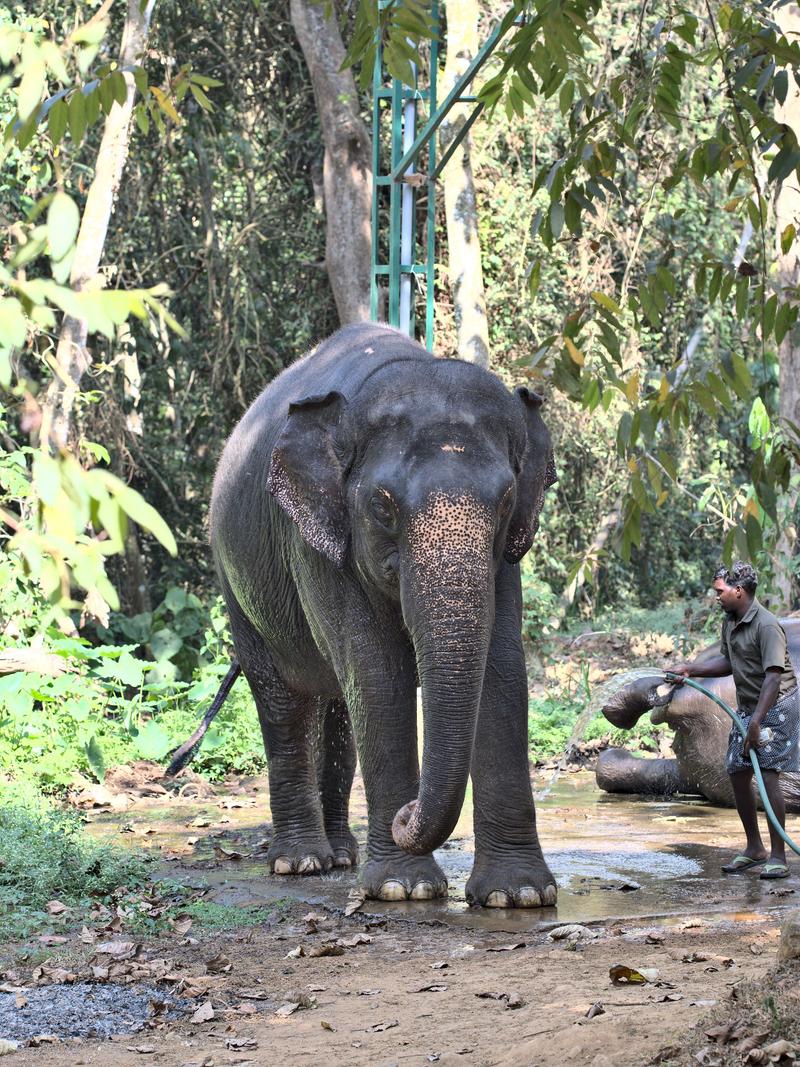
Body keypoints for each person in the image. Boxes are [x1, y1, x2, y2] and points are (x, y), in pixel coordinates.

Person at [669, 561, 799, 879]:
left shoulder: (766, 626)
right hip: (749, 707)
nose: (716, 597)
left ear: (738, 590)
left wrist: (756, 723)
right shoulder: (731, 621)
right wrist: (691, 669)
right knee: (738, 774)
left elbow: (772, 677)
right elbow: (729, 662)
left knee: (767, 777)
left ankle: (779, 856)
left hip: (777, 706)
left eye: (720, 591)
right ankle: (755, 848)